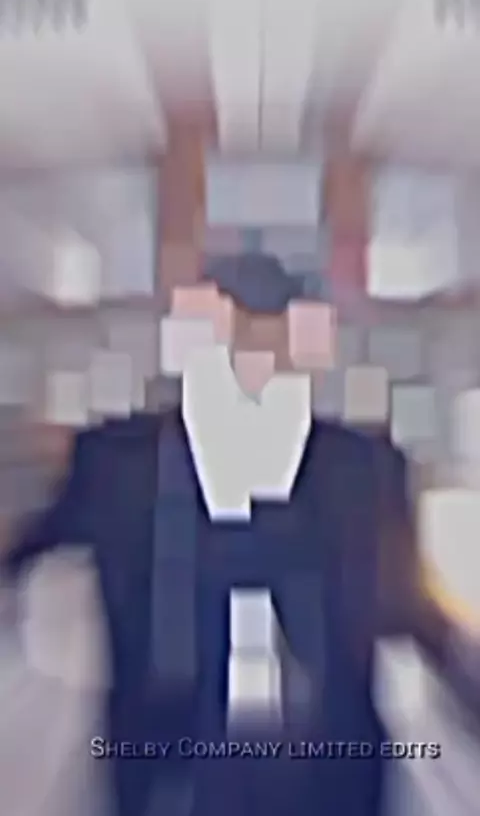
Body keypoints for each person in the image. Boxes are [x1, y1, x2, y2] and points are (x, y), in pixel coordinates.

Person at [1, 252, 480, 816]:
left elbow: (410, 609)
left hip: (332, 774)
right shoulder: (117, 462)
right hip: (164, 770)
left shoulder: (366, 468)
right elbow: (28, 550)